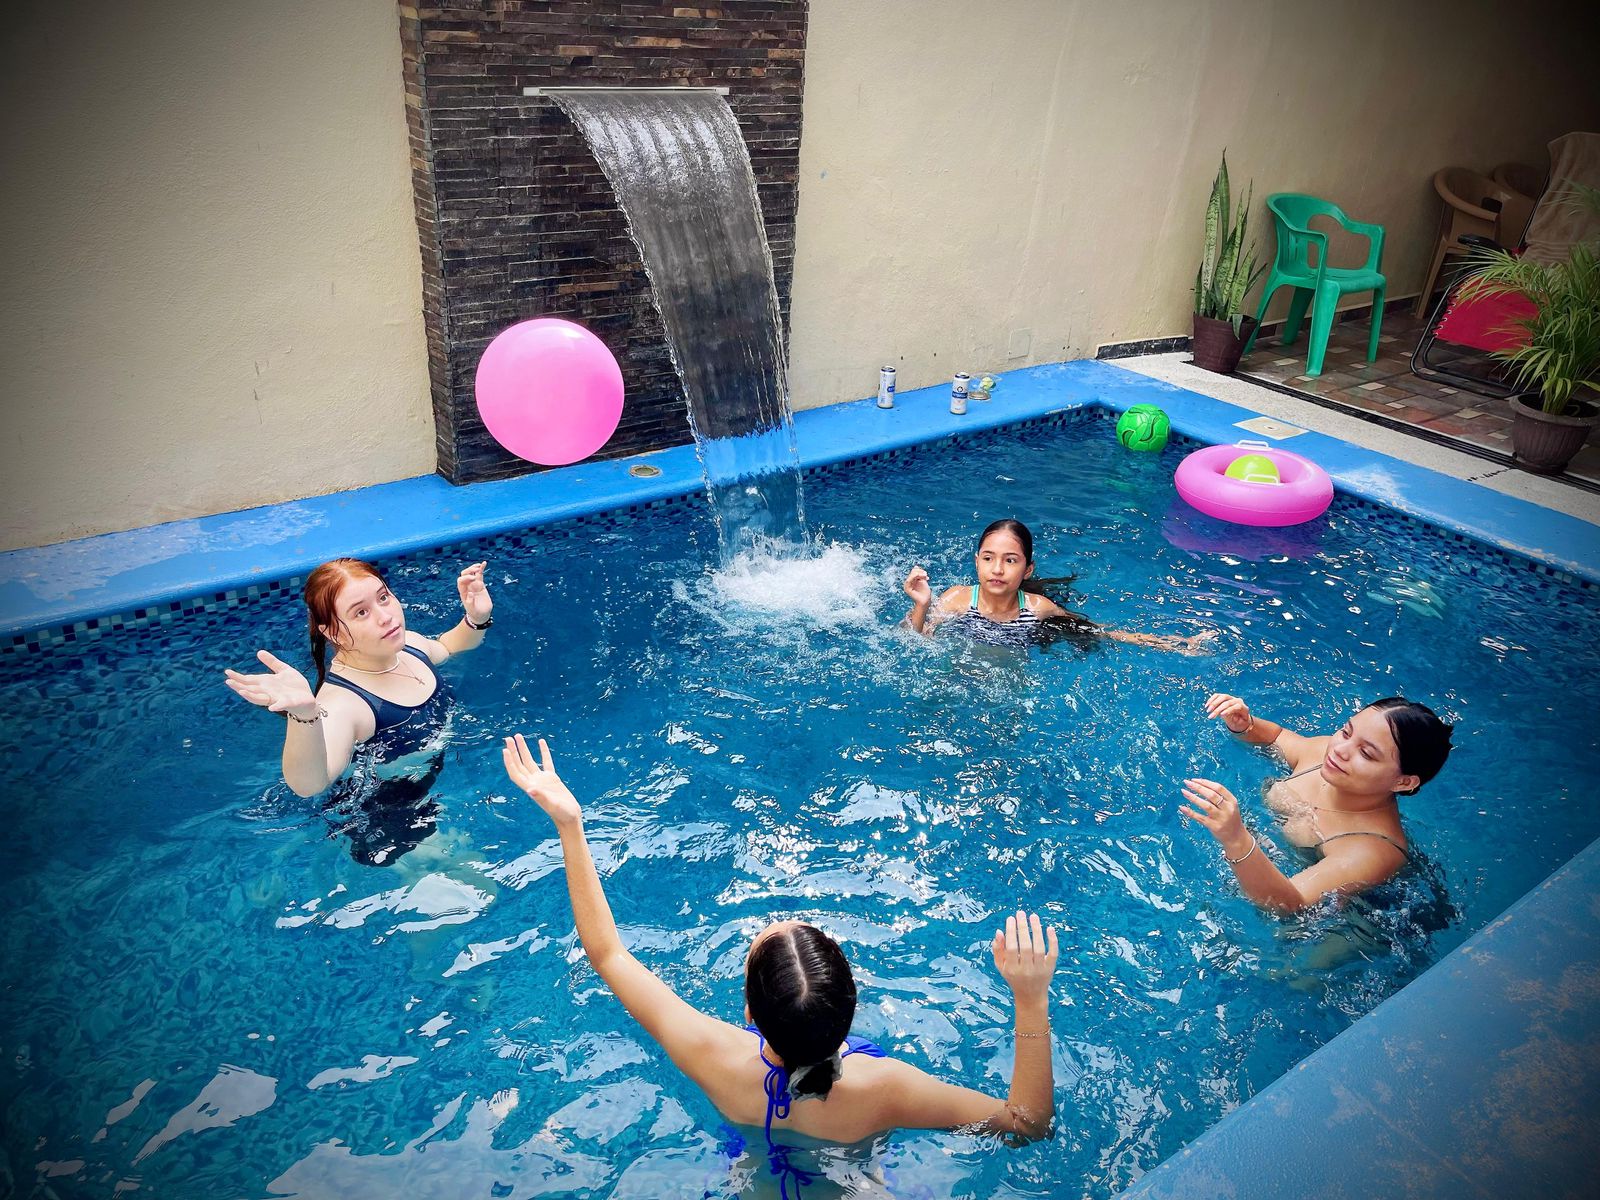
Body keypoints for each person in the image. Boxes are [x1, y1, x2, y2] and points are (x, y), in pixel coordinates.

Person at [500, 734, 1058, 1192]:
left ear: (749, 1010)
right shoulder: (887, 1089)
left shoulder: (714, 1057)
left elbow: (608, 954)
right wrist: (1030, 998)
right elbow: (1026, 1124)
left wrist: (571, 825)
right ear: (851, 1001)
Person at [224, 558, 493, 800]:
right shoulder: (345, 703)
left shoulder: (410, 646)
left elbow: (448, 647)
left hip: (439, 777)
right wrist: (304, 715)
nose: (385, 617)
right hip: (393, 812)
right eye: (361, 612)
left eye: (383, 598)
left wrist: (476, 619)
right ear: (333, 633)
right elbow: (311, 785)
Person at [1181, 693, 1453, 913]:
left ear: (1403, 782)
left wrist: (1236, 839)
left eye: (1367, 754)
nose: (1340, 750)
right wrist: (1245, 724)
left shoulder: (1371, 849)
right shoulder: (1325, 754)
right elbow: (1276, 738)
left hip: (1357, 920)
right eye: (1346, 731)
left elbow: (1288, 904)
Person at [902, 518, 1214, 653]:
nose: (997, 569)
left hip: (1008, 685)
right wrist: (921, 604)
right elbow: (912, 637)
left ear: (1028, 569)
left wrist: (1176, 643)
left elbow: (1101, 632)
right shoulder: (957, 598)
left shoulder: (1038, 608)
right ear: (976, 562)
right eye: (988, 558)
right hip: (958, 675)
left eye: (1010, 560)